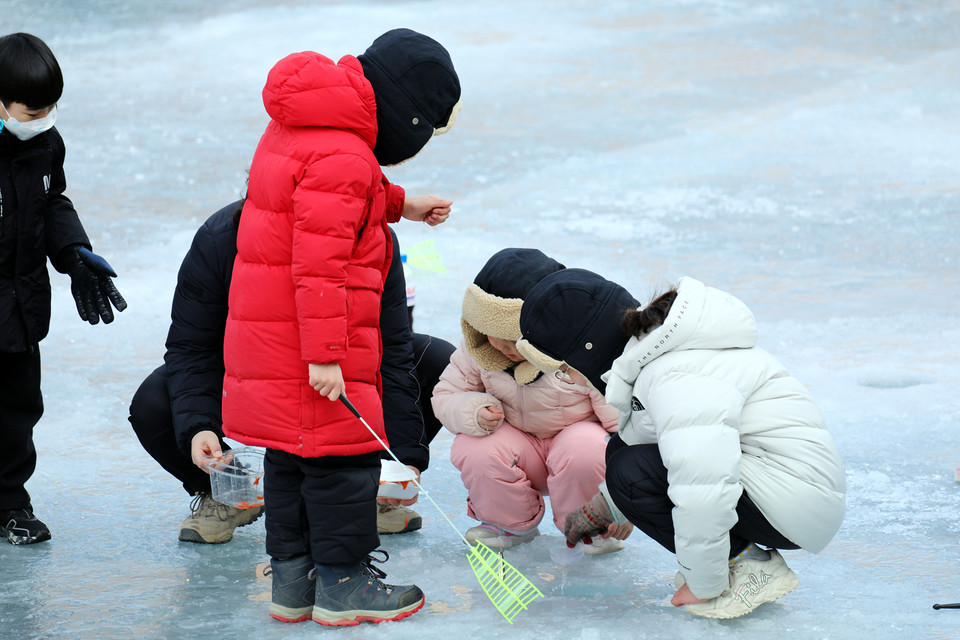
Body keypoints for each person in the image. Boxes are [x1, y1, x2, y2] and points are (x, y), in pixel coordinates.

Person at [220, 29, 461, 626]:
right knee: (342, 460)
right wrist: (326, 354)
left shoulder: (303, 123)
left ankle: (293, 582)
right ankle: (344, 582)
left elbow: (321, 201)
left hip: (272, 334)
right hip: (317, 340)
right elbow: (321, 261)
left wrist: (398, 202)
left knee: (290, 458)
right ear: (404, 116)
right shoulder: (349, 158)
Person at [516, 269, 846, 619]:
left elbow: (703, 485)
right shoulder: (658, 358)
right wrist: (603, 509)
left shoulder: (674, 376)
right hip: (783, 487)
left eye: (565, 368)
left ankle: (746, 564)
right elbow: (648, 444)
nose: (568, 378)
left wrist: (705, 584)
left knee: (629, 472)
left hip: (794, 502)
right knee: (622, 452)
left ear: (588, 350)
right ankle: (732, 558)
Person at [127, 200, 454, 544]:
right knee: (154, 402)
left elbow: (393, 350)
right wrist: (199, 426)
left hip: (337, 369)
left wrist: (403, 457)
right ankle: (227, 490)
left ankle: (366, 490)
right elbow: (192, 347)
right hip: (249, 367)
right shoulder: (221, 238)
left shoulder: (371, 236)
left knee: (435, 364)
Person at [0, 33, 127, 545]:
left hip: (20, 302)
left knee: (18, 407)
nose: (42, 119)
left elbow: (53, 203)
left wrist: (74, 255)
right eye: (31, 111)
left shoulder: (46, 143)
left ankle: (10, 501)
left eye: (50, 109)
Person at [431, 249, 623, 554]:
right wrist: (474, 411)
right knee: (475, 446)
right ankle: (506, 522)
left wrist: (621, 496)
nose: (506, 348)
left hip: (574, 453)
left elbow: (622, 420)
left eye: (517, 339)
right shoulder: (476, 352)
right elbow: (445, 396)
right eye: (495, 336)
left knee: (587, 446)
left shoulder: (578, 352)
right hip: (518, 452)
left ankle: (590, 524)